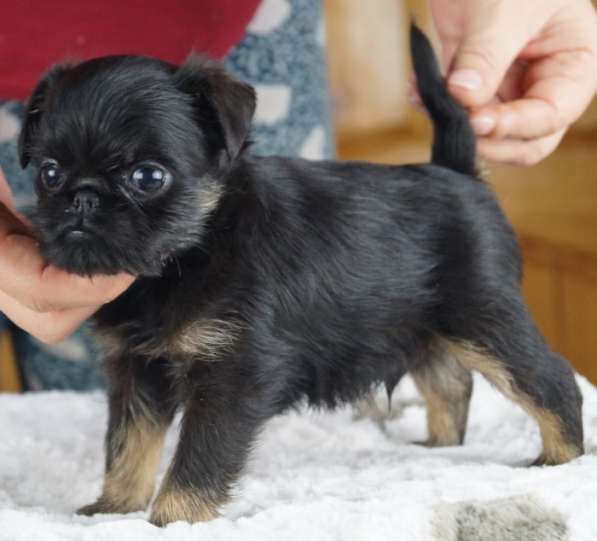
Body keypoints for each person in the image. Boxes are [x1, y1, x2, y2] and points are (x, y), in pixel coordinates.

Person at [0, 0, 595, 387]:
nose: (82, 202)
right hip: (22, 61)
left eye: (145, 180)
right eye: (51, 178)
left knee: (289, 311)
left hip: (243, 27)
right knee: (87, 369)